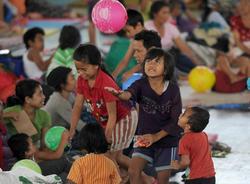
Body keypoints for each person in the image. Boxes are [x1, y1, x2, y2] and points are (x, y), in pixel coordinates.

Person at [105, 48, 182, 184]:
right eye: (148, 61)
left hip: (167, 141)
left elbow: (175, 120)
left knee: (162, 179)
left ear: (166, 69)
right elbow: (129, 94)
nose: (151, 64)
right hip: (144, 137)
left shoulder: (173, 89)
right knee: (133, 171)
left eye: (156, 62)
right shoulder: (140, 84)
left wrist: (155, 137)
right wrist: (119, 94)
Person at [69, 44, 141, 181]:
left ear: (96, 65)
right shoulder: (82, 80)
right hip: (108, 121)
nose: (81, 73)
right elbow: (77, 106)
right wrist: (72, 129)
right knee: (117, 157)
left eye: (84, 69)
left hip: (124, 118)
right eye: (78, 70)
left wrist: (106, 137)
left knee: (109, 156)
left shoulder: (105, 83)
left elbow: (113, 115)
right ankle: (144, 178)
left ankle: (122, 179)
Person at [145, 1, 201, 73]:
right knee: (175, 72)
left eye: (168, 13)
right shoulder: (147, 27)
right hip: (156, 58)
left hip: (172, 56)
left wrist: (197, 64)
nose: (167, 16)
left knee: (192, 68)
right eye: (164, 13)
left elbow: (184, 48)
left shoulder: (170, 27)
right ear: (155, 14)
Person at [171, 107, 215, 184]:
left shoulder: (185, 140)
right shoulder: (204, 135)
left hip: (195, 179)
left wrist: (177, 165)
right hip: (210, 176)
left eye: (184, 114)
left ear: (188, 126)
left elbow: (185, 162)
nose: (180, 115)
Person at [3, 79, 51, 148]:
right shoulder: (13, 111)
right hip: (15, 151)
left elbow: (43, 144)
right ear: (28, 99)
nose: (44, 97)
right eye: (40, 94)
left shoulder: (44, 115)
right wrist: (8, 115)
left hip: (34, 148)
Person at [44, 66, 86, 131]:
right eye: (72, 78)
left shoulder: (68, 94)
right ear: (62, 85)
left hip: (65, 128)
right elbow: (79, 125)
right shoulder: (59, 102)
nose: (75, 80)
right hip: (55, 136)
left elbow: (81, 107)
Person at [112, 9, 145, 81]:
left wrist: (130, 72)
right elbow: (125, 61)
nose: (127, 34)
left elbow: (149, 60)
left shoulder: (151, 38)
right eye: (125, 31)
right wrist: (113, 75)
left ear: (138, 25)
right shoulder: (135, 40)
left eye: (128, 31)